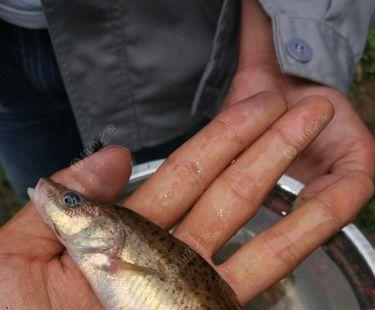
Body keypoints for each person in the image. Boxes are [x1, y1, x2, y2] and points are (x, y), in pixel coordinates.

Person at [0, 93, 374, 310]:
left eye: (69, 203)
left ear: (108, 230)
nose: (56, 195)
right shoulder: (101, 252)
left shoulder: (105, 252)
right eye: (71, 201)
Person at [0, 0, 374, 204]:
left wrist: (283, 49)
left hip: (165, 63)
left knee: (169, 194)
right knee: (37, 184)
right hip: (9, 79)